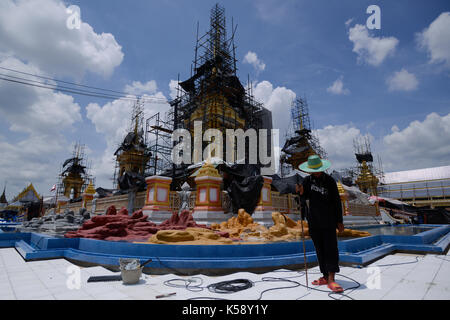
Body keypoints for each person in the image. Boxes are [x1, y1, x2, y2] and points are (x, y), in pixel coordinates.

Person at [296, 154, 345, 293]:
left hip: (329, 220)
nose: (315, 172)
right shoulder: (306, 181)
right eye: (313, 170)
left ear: (322, 168)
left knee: (331, 249)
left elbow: (336, 202)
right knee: (319, 250)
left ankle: (331, 278)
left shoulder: (329, 181)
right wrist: (300, 193)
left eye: (317, 169)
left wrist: (339, 221)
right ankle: (324, 275)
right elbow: (302, 199)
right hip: (314, 221)